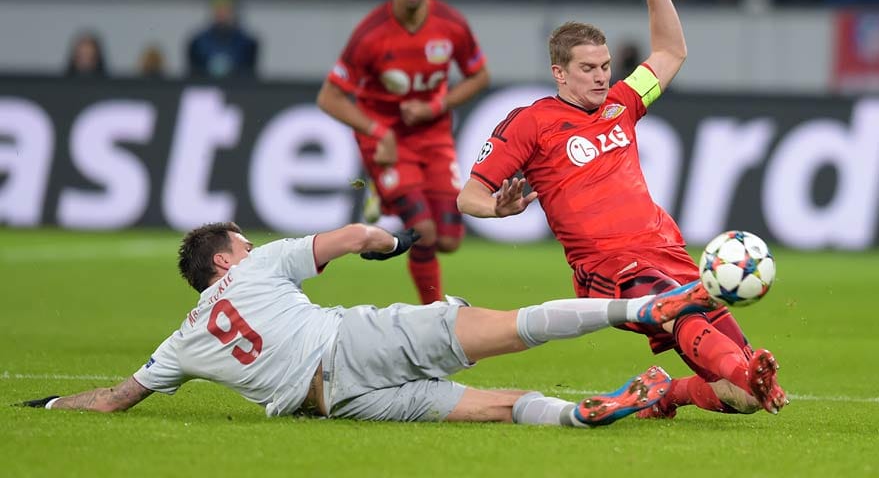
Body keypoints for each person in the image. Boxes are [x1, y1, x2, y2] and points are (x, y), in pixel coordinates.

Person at [457, 0, 787, 419]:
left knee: (740, 401)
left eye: (605, 66)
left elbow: (672, 52)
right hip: (609, 270)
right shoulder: (532, 122)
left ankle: (662, 393)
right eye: (588, 68)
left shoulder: (622, 106)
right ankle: (746, 370)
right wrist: (496, 208)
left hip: (667, 254)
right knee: (705, 340)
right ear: (559, 73)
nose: (601, 75)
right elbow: (469, 196)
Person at [19, 221, 720, 426]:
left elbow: (115, 399)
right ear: (226, 257)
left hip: (337, 403)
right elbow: (351, 235)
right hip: (354, 339)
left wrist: (48, 404)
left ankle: (578, 417)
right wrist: (391, 241)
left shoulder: (181, 340)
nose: (252, 249)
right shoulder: (257, 269)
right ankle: (643, 308)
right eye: (243, 241)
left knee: (496, 410)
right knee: (511, 326)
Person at [316, 0, 490, 305]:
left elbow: (480, 76)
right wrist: (378, 131)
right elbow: (328, 97)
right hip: (387, 142)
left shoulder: (451, 25)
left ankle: (386, 197)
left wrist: (437, 105)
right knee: (423, 232)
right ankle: (433, 315)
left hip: (434, 136)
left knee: (449, 239)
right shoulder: (371, 34)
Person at [187, 0, 259, 78]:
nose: (222, 13)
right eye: (218, 8)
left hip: (237, 90)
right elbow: (193, 77)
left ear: (233, 10)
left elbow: (249, 78)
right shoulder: (197, 43)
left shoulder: (248, 44)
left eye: (226, 8)